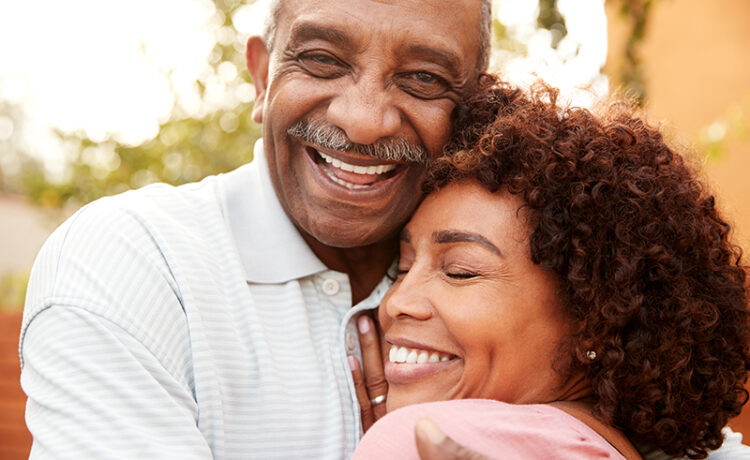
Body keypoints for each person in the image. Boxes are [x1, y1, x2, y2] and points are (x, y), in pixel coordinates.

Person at [19, 0, 491, 458]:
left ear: (481, 108)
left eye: (424, 78)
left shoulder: (522, 283)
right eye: (321, 60)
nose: (364, 121)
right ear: (263, 78)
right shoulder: (132, 261)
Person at [351, 80, 750, 459]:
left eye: (460, 271)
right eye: (402, 269)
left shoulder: (419, 438)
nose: (396, 301)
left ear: (594, 320)